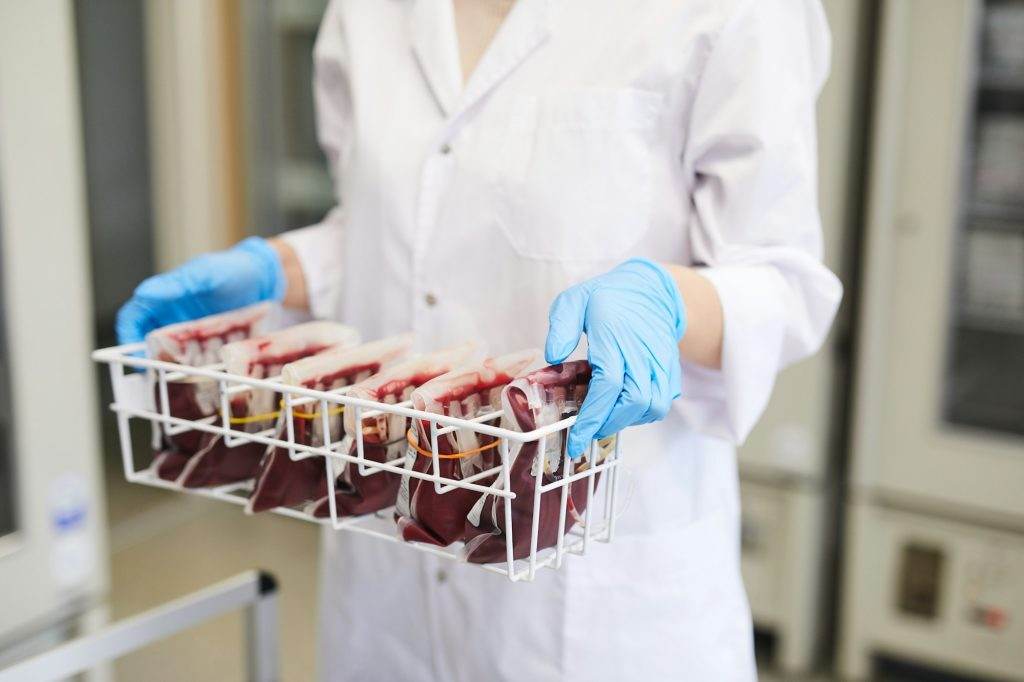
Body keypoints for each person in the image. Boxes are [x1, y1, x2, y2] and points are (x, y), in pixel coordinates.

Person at [117, 0, 841, 679]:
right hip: (387, 565)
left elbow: (783, 281)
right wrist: (278, 268)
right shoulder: (366, 12)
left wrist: (669, 300)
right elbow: (388, 227)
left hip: (595, 590)